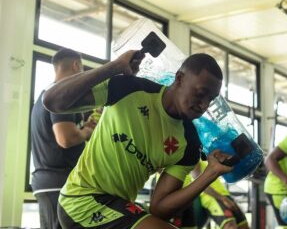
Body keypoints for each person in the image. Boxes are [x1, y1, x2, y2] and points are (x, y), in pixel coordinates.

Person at [43, 51, 234, 228]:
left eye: (211, 99)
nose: (204, 105)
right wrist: (114, 67)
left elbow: (159, 209)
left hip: (118, 207)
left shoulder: (189, 143)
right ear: (180, 78)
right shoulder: (128, 89)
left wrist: (210, 173)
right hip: (81, 200)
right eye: (200, 94)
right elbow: (52, 101)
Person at [30, 48, 96, 229]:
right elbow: (65, 138)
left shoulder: (45, 95)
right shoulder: (62, 95)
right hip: (59, 183)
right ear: (76, 66)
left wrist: (82, 128)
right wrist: (87, 133)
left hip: (47, 183)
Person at [193, 160, 249, 229]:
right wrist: (222, 198)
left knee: (244, 226)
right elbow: (199, 183)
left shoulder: (208, 159)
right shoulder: (195, 159)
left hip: (225, 195)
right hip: (212, 197)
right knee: (230, 226)